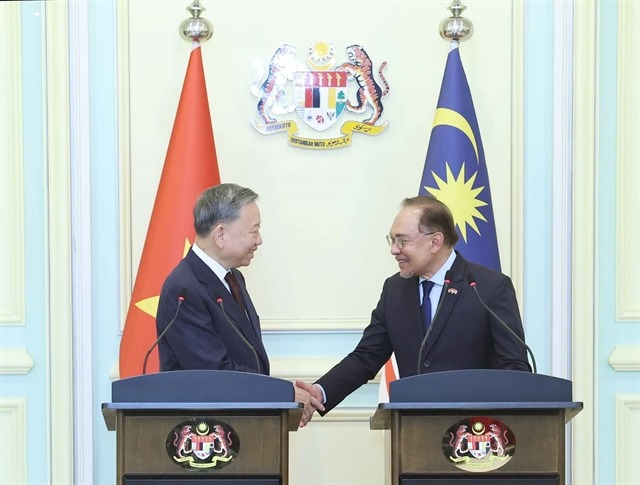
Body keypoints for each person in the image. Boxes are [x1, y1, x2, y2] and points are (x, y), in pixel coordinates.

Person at [296, 195, 531, 415]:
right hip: (412, 432)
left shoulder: (487, 287)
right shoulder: (395, 290)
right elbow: (366, 357)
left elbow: (515, 367)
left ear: (435, 241)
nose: (394, 249)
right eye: (392, 239)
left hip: (475, 433)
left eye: (402, 240)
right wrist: (321, 391)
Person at [156, 183, 323, 424]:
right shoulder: (183, 289)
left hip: (243, 423)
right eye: (254, 231)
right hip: (207, 432)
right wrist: (282, 393)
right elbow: (214, 373)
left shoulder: (232, 277)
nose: (259, 240)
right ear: (221, 235)